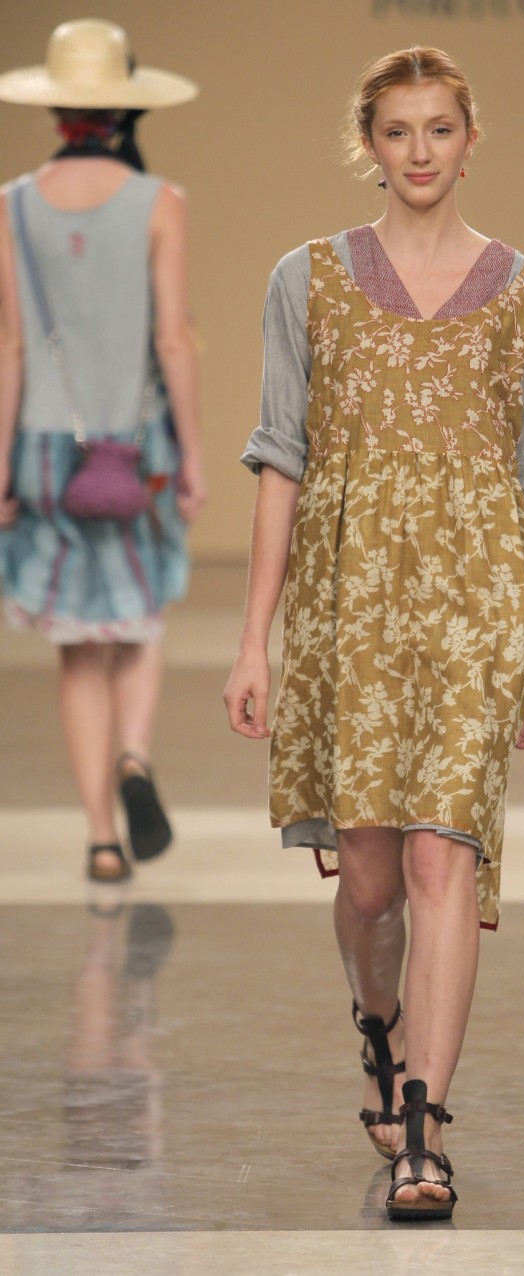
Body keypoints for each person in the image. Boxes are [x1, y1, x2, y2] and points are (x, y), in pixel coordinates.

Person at [224, 46, 524, 1221]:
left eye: (439, 128)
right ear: (368, 146)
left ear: (470, 141)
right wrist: (254, 638)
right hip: (348, 606)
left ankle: (424, 1130)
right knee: (370, 882)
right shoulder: (307, 279)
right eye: (398, 130)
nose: (420, 151)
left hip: (477, 603)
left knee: (440, 862)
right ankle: (380, 1033)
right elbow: (279, 460)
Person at [0, 20, 205, 884]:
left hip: (48, 451)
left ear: (56, 113)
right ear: (125, 108)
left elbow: (9, 348)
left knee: (78, 648)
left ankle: (100, 840)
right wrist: (194, 455)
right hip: (137, 444)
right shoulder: (160, 202)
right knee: (141, 618)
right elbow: (174, 339)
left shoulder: (12, 206)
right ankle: (134, 754)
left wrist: (0, 469)